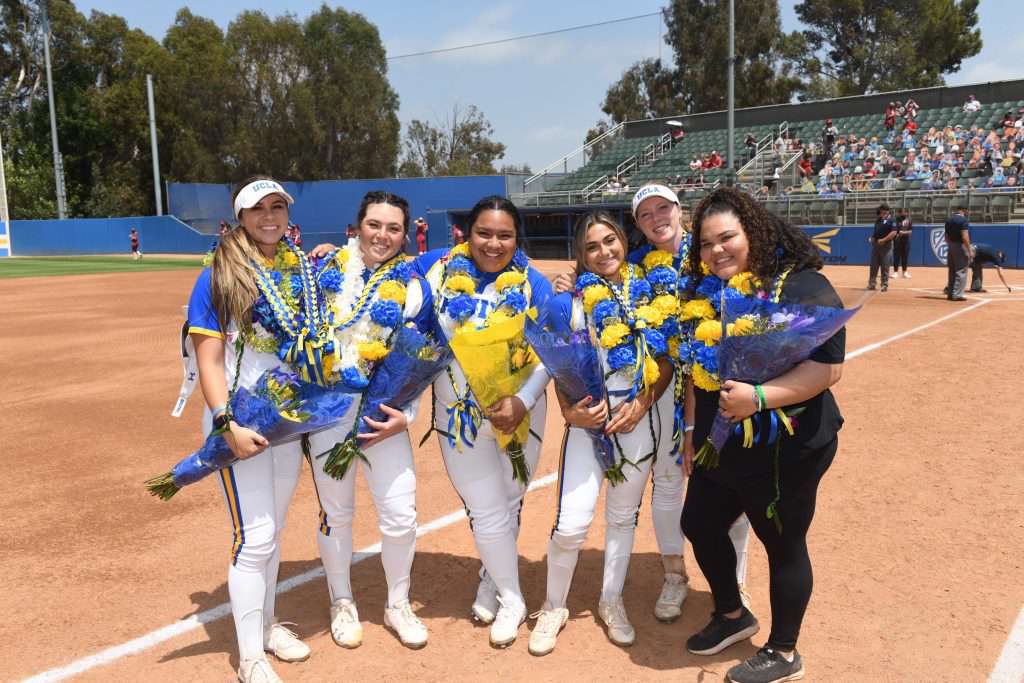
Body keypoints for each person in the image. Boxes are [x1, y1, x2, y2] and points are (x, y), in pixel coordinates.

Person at [555, 185, 752, 624]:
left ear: (680, 210)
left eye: (663, 207)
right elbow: (600, 279)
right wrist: (570, 280)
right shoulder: (639, 266)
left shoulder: (712, 254)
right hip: (661, 384)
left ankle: (738, 582)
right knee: (667, 480)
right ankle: (674, 574)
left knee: (730, 484)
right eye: (645, 214)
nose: (656, 217)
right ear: (637, 225)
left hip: (717, 387)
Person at [680, 186, 846, 683]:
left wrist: (759, 396)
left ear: (752, 231)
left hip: (787, 448)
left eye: (726, 237)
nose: (716, 250)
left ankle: (784, 651)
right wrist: (693, 429)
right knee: (699, 522)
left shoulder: (801, 287)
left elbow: (828, 369)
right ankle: (733, 614)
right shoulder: (705, 293)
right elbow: (695, 371)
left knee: (782, 542)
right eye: (706, 243)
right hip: (722, 440)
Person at [186, 177, 314, 683]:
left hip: (284, 419)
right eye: (258, 208)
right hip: (238, 420)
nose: (269, 216)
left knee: (273, 533)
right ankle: (250, 658)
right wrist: (226, 424)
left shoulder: (299, 271)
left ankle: (265, 626)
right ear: (240, 217)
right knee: (254, 537)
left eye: (277, 206)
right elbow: (209, 359)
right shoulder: (219, 275)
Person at [528, 212, 670, 656]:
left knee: (623, 519)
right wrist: (570, 410)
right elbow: (559, 365)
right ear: (581, 254)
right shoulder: (571, 301)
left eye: (610, 240)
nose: (603, 251)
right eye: (592, 246)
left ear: (623, 240)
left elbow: (667, 359)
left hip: (636, 424)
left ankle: (612, 600)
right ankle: (553, 606)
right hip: (588, 427)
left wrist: (642, 402)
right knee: (571, 525)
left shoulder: (650, 292)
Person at [414, 196, 553, 648]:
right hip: (459, 415)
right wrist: (338, 254)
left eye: (504, 235)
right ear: (466, 233)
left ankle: (493, 579)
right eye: (484, 233)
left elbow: (551, 351)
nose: (494, 244)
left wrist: (524, 400)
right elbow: (382, 272)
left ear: (517, 239)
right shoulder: (436, 269)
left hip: (521, 411)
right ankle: (513, 599)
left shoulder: (533, 283)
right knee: (486, 507)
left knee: (510, 500)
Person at [305, 191, 430, 651]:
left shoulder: (414, 287)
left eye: (393, 228)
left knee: (400, 514)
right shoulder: (324, 272)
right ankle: (341, 601)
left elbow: (424, 355)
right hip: (329, 414)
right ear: (356, 227)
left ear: (405, 235)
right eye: (374, 225)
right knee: (336, 513)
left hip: (383, 420)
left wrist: (407, 415)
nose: (382, 235)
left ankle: (398, 603)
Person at [944, 206, 972, 301]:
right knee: (961, 270)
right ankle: (957, 294)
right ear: (964, 210)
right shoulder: (963, 220)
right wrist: (969, 250)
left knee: (952, 270)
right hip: (960, 246)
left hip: (951, 246)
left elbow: (946, 237)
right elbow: (965, 236)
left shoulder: (949, 220)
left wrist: (951, 245)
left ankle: (950, 293)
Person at [867, 204, 897, 291]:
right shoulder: (879, 219)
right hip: (876, 245)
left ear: (885, 210)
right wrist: (872, 238)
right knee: (873, 265)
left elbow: (893, 233)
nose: (879, 211)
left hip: (886, 246)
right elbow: (876, 232)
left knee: (885, 265)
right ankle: (872, 284)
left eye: (881, 210)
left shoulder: (892, 220)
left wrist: (884, 240)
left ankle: (884, 284)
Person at [893, 208, 912, 278]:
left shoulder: (909, 219)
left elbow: (910, 231)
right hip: (897, 241)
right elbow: (894, 230)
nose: (904, 214)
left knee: (905, 256)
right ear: (899, 213)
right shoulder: (896, 220)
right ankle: (895, 272)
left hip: (906, 241)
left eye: (905, 212)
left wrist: (903, 232)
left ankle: (905, 272)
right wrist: (898, 233)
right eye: (902, 212)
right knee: (897, 257)